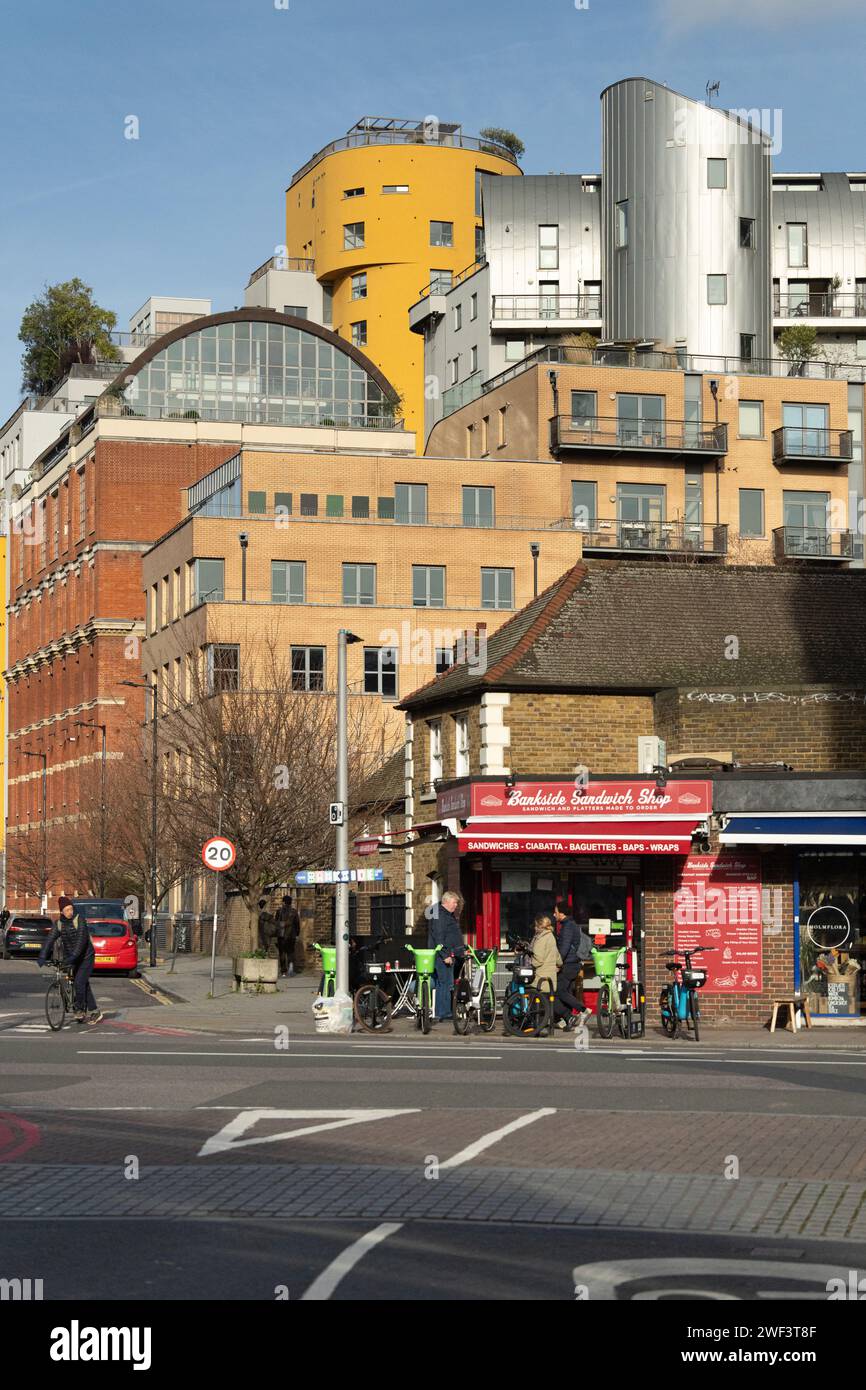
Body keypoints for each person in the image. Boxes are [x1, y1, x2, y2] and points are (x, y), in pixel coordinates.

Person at [38, 895, 102, 1024]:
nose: (70, 912)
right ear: (61, 911)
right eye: (67, 910)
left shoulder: (80, 920)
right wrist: (42, 956)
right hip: (71, 958)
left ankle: (79, 1010)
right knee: (82, 983)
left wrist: (73, 956)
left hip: (85, 957)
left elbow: (81, 941)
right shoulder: (59, 924)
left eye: (71, 909)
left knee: (79, 982)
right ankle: (94, 1010)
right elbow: (50, 940)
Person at [552, 901, 592, 1030]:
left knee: (558, 991)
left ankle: (583, 1010)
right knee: (566, 991)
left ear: (562, 913)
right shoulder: (569, 925)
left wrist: (558, 963)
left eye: (556, 912)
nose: (554, 914)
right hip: (571, 963)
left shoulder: (568, 927)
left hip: (569, 964)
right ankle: (568, 1019)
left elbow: (564, 948)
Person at [427, 890, 465, 1022]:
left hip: (445, 954)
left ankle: (441, 1012)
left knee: (442, 984)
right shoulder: (441, 915)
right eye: (454, 902)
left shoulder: (444, 914)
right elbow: (439, 936)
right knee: (445, 983)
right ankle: (444, 1012)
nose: (456, 905)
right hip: (442, 956)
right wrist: (445, 955)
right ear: (447, 901)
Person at [530, 914, 561, 993]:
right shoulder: (550, 936)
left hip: (540, 978)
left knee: (538, 1002)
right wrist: (559, 964)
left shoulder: (541, 938)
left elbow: (538, 960)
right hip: (549, 978)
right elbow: (557, 955)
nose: (534, 928)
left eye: (536, 925)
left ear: (540, 926)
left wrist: (530, 962)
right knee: (547, 1002)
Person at [275, 894, 300, 977]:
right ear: (290, 902)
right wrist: (297, 933)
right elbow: (297, 924)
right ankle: (291, 968)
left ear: (283, 902)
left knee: (282, 953)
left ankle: (283, 971)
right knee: (291, 952)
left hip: (281, 935)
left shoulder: (279, 911)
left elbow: (276, 923)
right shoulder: (294, 911)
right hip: (291, 935)